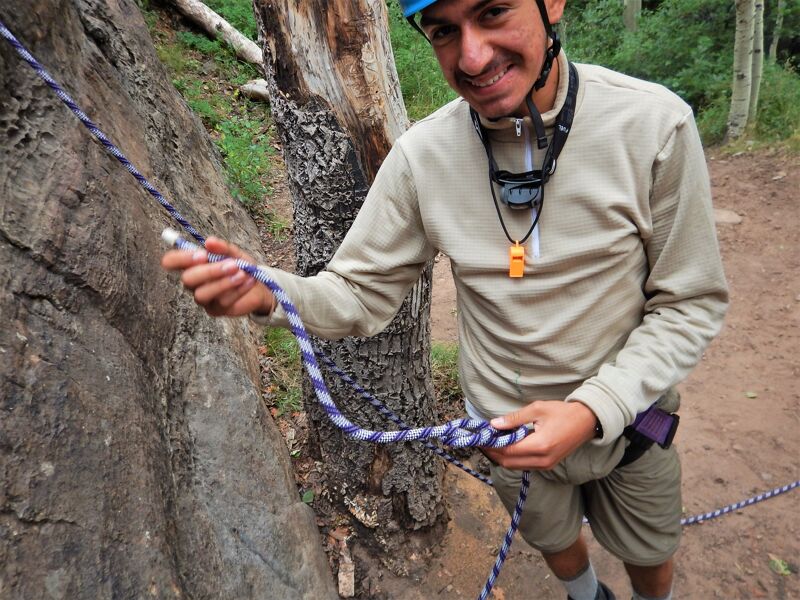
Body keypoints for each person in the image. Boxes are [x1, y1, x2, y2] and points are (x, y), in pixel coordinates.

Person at [162, 0, 728, 597]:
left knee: (651, 548)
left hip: (632, 419)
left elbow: (689, 302)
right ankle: (587, 594)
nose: (473, 55)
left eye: (494, 12)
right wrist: (269, 294)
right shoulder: (423, 158)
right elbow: (356, 292)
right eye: (443, 31)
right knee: (551, 536)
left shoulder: (652, 127)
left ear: (553, 4)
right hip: (505, 432)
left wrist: (592, 410)